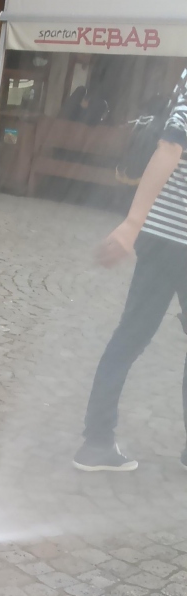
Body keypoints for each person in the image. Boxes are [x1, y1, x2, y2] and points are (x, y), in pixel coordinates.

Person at [74, 67, 187, 471]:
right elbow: (170, 146)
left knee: (129, 338)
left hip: (160, 236)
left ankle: (96, 442)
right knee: (129, 339)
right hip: (171, 233)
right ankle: (97, 443)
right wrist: (132, 222)